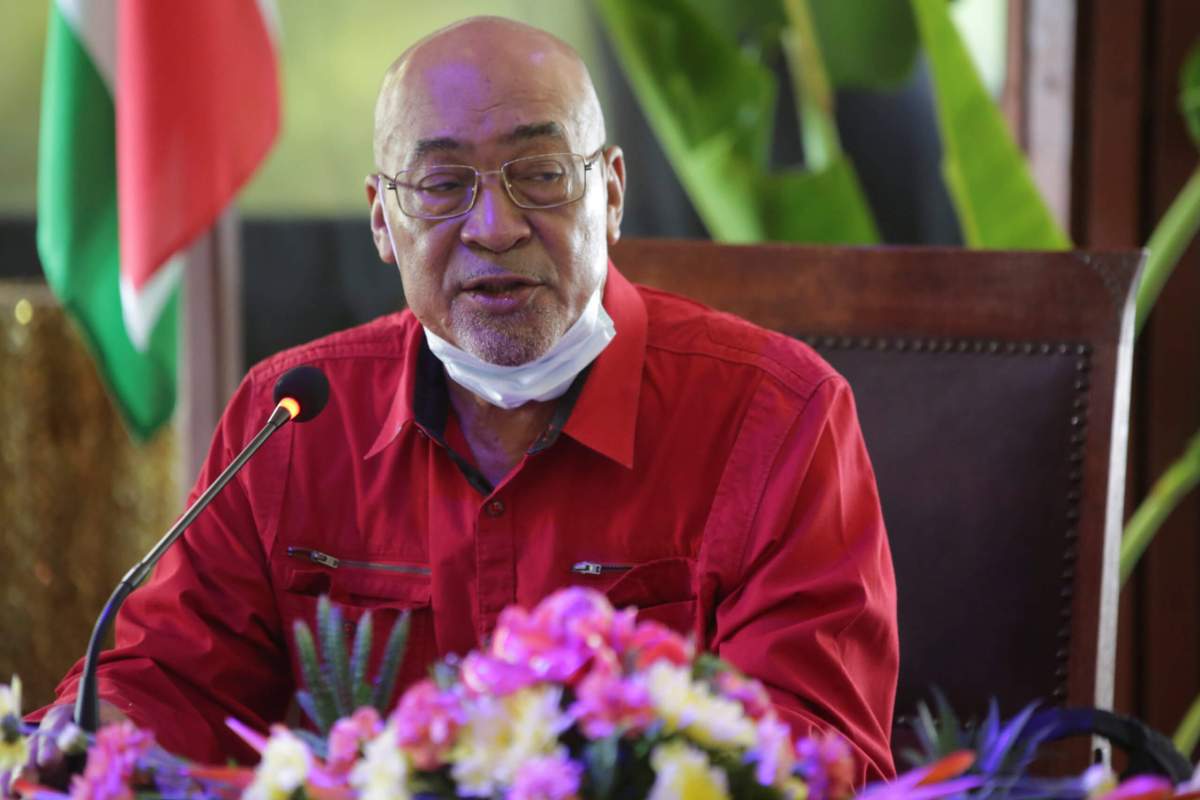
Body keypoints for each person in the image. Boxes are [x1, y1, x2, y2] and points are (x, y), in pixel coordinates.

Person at [34, 15, 898, 784]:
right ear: (382, 221)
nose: (494, 226)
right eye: (442, 186)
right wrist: (98, 736)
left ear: (612, 192)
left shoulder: (778, 417)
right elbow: (161, 679)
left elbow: (813, 755)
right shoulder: (295, 420)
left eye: (542, 174)